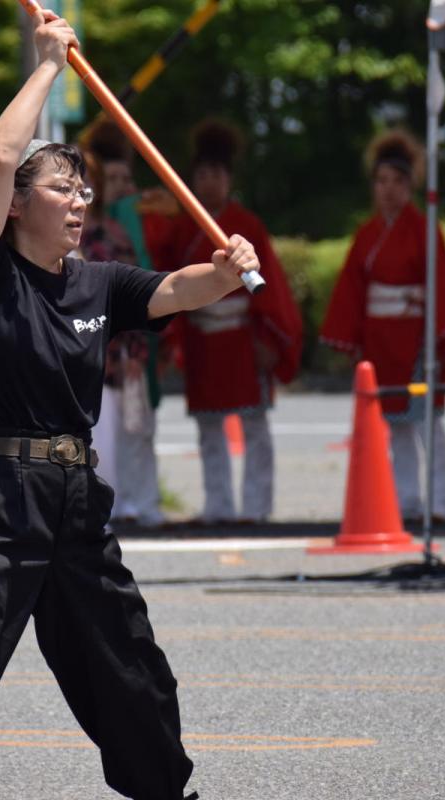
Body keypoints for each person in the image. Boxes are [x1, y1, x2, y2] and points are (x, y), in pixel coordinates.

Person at [0, 12, 256, 799]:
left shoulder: (96, 280)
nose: (79, 200)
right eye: (62, 186)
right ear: (16, 206)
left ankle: (165, 791)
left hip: (73, 500)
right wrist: (47, 67)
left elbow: (175, 290)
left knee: (128, 661)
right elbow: (0, 155)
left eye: (82, 188)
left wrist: (228, 270)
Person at [155, 119, 303, 524]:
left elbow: (269, 287)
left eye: (216, 173)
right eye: (201, 174)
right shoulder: (182, 227)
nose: (208, 181)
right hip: (203, 338)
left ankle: (256, 507)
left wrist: (268, 341)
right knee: (208, 428)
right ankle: (218, 505)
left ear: (229, 178)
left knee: (254, 424)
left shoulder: (248, 224)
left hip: (242, 338)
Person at [320, 130, 445, 521]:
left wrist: (439, 336)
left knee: (426, 422)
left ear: (411, 185)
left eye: (397, 181)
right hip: (380, 340)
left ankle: (441, 502)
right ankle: (407, 501)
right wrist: (351, 337)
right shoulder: (365, 234)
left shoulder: (424, 228)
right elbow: (352, 288)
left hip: (416, 338)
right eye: (381, 181)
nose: (388, 190)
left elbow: (441, 286)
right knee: (396, 425)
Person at [81, 121, 166, 526]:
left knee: (135, 426)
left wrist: (136, 347)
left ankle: (141, 502)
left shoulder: (126, 224)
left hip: (124, 342)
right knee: (101, 433)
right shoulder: (76, 235)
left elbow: (136, 289)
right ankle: (107, 504)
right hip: (89, 345)